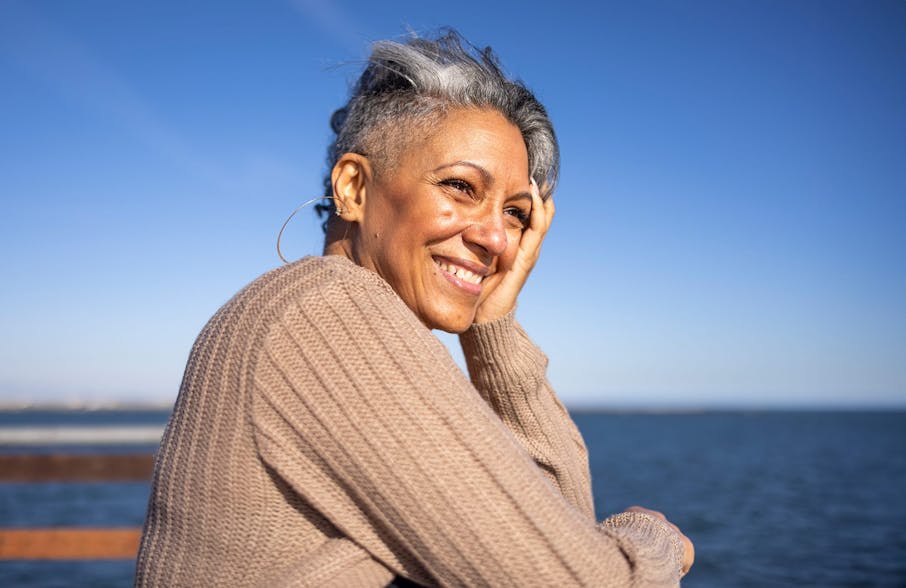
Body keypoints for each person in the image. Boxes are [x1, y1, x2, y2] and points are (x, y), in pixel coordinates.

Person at [135, 30, 694, 587]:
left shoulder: (302, 308)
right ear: (353, 187)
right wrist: (653, 536)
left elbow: (557, 532)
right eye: (460, 187)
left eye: (517, 214)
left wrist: (494, 327)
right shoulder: (327, 315)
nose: (498, 239)